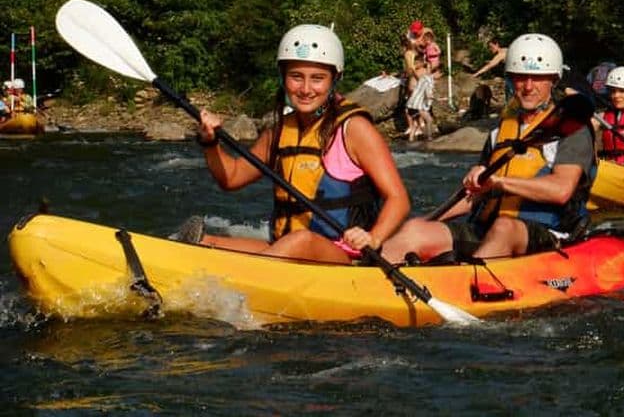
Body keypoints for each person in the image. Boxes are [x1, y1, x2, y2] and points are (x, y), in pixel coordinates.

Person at [185, 24, 411, 264]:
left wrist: (373, 238)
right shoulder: (280, 132)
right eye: (296, 77)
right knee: (205, 244)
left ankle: (249, 282)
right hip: (286, 251)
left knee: (302, 240)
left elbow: (399, 199)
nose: (305, 89)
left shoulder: (354, 129)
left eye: (317, 79)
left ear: (335, 79)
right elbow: (231, 178)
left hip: (345, 258)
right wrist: (211, 144)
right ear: (283, 77)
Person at [382, 33, 596, 264]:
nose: (528, 86)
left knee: (504, 228)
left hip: (550, 235)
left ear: (553, 80)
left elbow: (561, 190)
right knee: (416, 229)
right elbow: (476, 193)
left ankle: (467, 282)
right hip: (487, 229)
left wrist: (499, 182)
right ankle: (367, 277)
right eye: (520, 78)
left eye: (538, 78)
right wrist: (429, 219)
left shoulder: (572, 130)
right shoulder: (501, 131)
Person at [405, 57, 435, 140]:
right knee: (428, 120)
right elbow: (427, 92)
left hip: (414, 103)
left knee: (416, 123)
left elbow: (424, 88)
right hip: (416, 103)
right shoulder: (427, 78)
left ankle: (411, 139)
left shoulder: (424, 76)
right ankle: (428, 137)